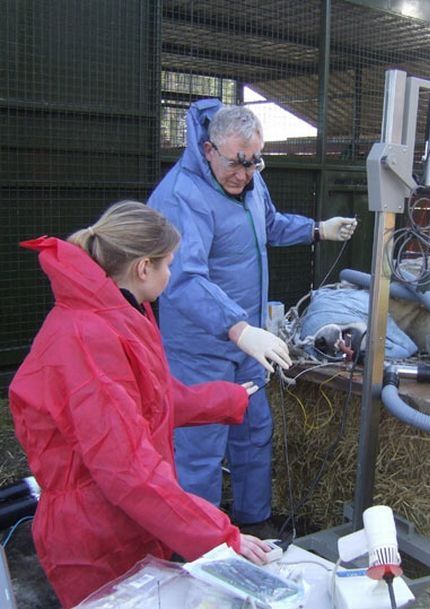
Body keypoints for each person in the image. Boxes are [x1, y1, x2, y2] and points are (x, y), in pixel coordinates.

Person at [8, 201, 272, 608]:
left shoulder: (118, 313)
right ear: (143, 268)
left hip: (122, 520)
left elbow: (152, 400)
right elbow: (126, 468)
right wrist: (220, 537)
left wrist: (233, 397)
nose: (172, 274)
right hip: (96, 536)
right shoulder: (89, 339)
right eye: (168, 264)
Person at [148, 99, 357, 537]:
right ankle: (200, 543)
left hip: (248, 340)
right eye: (236, 163)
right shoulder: (181, 196)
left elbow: (271, 224)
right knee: (200, 446)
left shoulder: (249, 184)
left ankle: (253, 521)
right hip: (200, 348)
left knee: (254, 429)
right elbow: (182, 279)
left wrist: (318, 229)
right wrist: (239, 328)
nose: (244, 174)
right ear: (209, 150)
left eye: (254, 163)